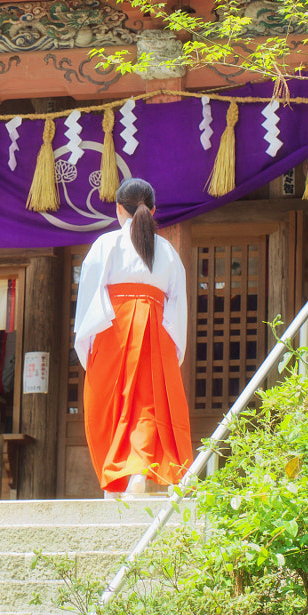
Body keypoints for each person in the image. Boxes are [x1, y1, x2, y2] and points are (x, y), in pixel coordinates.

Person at [73, 177, 192, 494]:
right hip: (156, 328)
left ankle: (118, 476)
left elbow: (90, 297)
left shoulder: (106, 245)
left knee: (108, 401)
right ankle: (138, 471)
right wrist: (174, 351)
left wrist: (86, 347)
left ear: (118, 209)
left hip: (112, 326)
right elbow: (177, 304)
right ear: (153, 210)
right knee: (148, 403)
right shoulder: (167, 251)